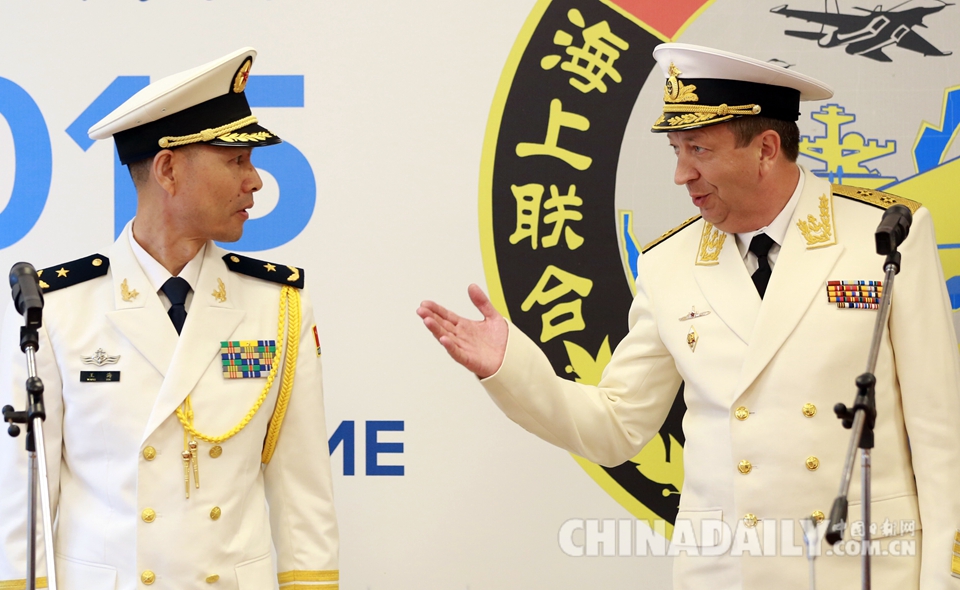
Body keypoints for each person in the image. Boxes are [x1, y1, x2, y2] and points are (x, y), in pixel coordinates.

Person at [419, 43, 960, 589]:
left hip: (860, 570)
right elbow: (616, 426)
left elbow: (941, 435)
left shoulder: (884, 236)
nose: (682, 174)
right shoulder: (668, 264)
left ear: (766, 149)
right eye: (676, 150)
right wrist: (510, 367)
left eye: (699, 149)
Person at [0, 48, 339, 589]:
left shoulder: (277, 306)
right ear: (168, 169)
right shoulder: (58, 308)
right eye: (236, 161)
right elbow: (26, 498)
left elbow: (304, 495)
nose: (255, 181)